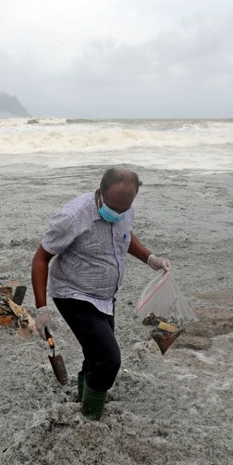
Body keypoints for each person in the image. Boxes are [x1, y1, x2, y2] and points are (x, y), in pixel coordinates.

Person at [31, 167, 170, 420]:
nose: (117, 213)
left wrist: (150, 258)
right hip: (73, 294)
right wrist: (41, 309)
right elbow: (41, 259)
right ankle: (90, 416)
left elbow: (125, 234)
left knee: (95, 354)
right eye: (113, 207)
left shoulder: (124, 209)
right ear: (100, 191)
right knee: (109, 359)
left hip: (105, 296)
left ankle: (83, 398)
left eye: (123, 209)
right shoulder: (72, 217)